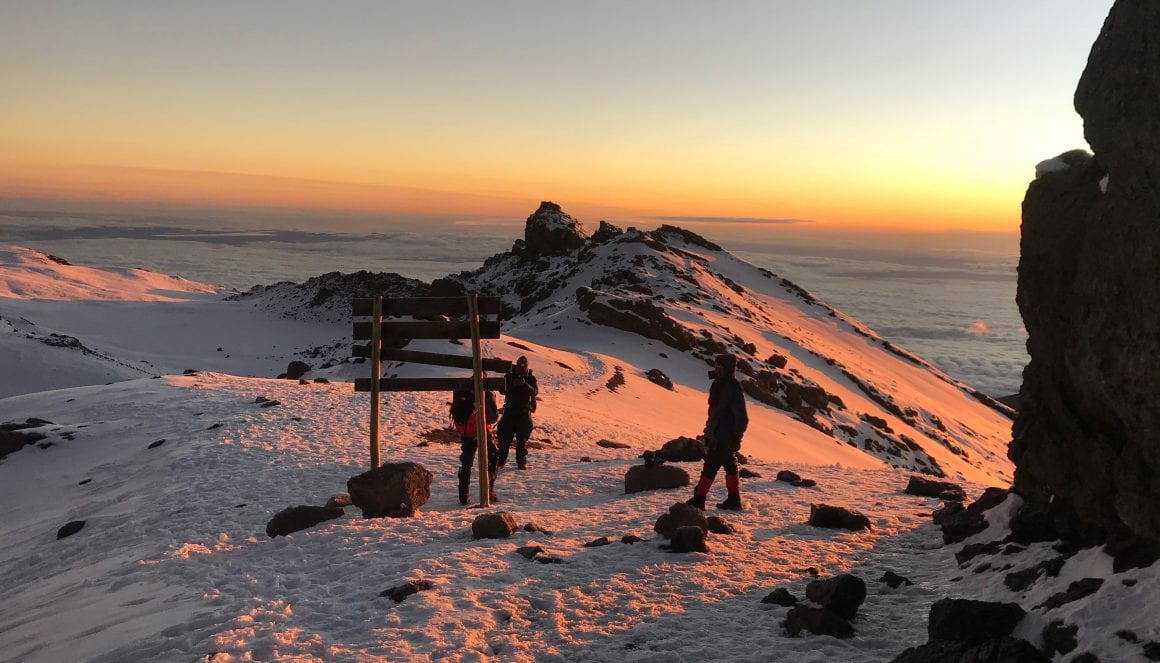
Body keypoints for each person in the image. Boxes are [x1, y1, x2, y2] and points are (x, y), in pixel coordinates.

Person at [686, 353, 749, 511]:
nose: (716, 369)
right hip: (719, 433)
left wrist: (736, 437)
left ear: (727, 369)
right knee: (729, 464)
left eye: (719, 367)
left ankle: (699, 499)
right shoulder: (721, 383)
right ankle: (734, 500)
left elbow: (742, 416)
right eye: (716, 366)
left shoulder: (731, 387)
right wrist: (709, 431)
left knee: (710, 466)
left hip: (724, 436)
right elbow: (715, 412)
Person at [450, 381, 500, 505]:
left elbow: (493, 418)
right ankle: (482, 492)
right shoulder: (477, 392)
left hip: (475, 432)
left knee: (470, 463)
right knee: (486, 459)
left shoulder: (466, 390)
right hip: (477, 432)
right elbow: (493, 417)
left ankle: (470, 495)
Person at [497, 357, 537, 470]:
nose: (521, 367)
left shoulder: (531, 378)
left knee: (522, 442)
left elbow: (535, 392)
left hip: (524, 414)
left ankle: (521, 462)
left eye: (523, 365)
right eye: (519, 365)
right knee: (504, 440)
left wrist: (524, 384)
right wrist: (513, 384)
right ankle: (501, 461)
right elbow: (502, 390)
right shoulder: (509, 376)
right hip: (509, 413)